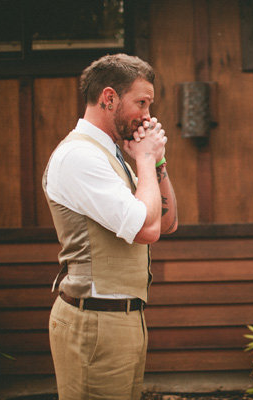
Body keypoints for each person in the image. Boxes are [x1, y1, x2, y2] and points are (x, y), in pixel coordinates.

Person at [42, 53, 178, 400]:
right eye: (142, 103)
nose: (148, 115)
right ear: (109, 98)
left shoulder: (112, 156)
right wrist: (145, 159)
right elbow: (145, 230)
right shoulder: (80, 157)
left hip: (124, 319)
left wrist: (157, 160)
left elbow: (168, 221)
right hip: (94, 322)